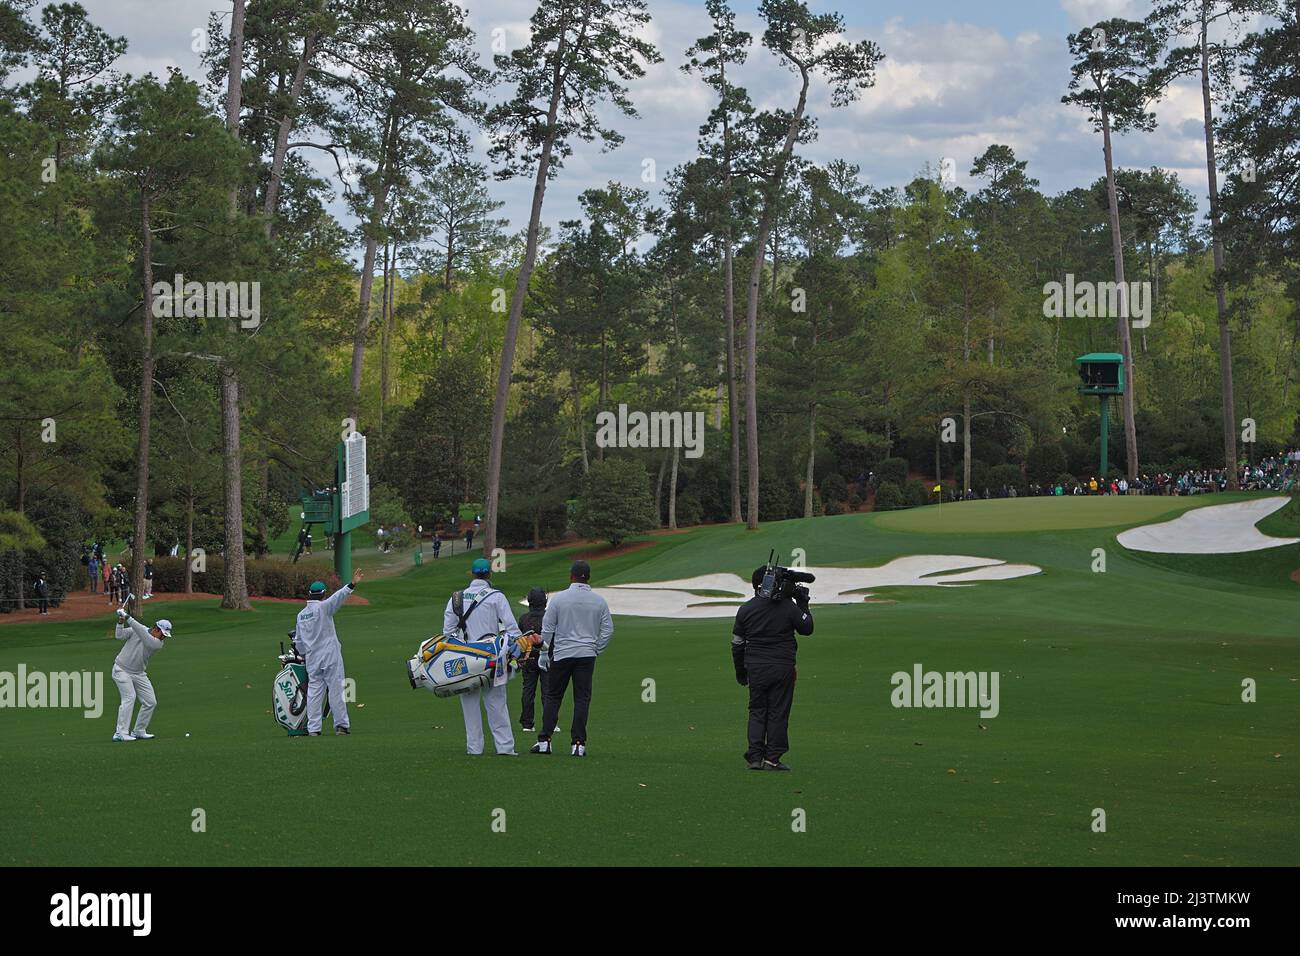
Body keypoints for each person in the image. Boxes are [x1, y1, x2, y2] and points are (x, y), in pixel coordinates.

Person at [730, 566, 815, 772]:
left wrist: (740, 671)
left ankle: (755, 758)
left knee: (757, 711)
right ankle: (772, 759)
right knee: (778, 712)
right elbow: (807, 628)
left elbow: (737, 644)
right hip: (782, 667)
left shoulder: (746, 609)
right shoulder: (788, 607)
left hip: (756, 668)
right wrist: (802, 603)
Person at [531, 560, 613, 757]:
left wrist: (543, 653)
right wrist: (596, 648)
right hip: (586, 655)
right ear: (589, 577)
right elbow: (608, 630)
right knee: (582, 699)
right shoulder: (599, 601)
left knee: (553, 697)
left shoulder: (559, 599)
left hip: (562, 653)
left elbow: (548, 629)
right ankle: (578, 744)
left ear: (571, 576)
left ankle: (545, 741)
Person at [442, 557, 522, 755]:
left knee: (469, 705)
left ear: (472, 574)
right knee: (497, 703)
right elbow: (513, 630)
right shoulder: (496, 597)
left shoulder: (456, 598)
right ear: (489, 574)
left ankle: (474, 748)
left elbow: (447, 633)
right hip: (493, 657)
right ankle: (505, 747)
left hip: (466, 658)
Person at [295, 569, 362, 736]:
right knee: (336, 689)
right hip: (330, 656)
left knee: (314, 693)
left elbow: (299, 642)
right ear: (323, 594)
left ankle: (314, 728)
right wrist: (352, 584)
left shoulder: (301, 615)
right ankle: (341, 725)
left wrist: (304, 655)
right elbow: (337, 598)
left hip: (312, 659)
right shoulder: (324, 608)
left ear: (310, 594)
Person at [111, 606, 173, 741]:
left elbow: (143, 634)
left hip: (138, 673)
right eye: (162, 634)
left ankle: (138, 730)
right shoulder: (138, 629)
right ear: (156, 629)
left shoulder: (156, 644)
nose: (163, 638)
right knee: (129, 697)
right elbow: (119, 636)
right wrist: (121, 621)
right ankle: (120, 733)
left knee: (150, 702)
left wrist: (128, 617)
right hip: (121, 669)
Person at [517, 587, 555, 735]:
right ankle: (550, 722)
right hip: (548, 658)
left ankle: (527, 723)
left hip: (529, 659)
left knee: (528, 690)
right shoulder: (550, 617)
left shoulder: (524, 619)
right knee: (548, 692)